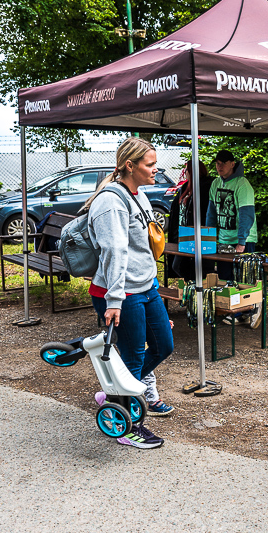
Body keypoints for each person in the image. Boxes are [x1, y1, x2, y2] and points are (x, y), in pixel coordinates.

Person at [86, 137, 175, 447]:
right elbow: (114, 252)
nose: (156, 169)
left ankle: (115, 394)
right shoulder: (110, 202)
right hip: (120, 293)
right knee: (134, 356)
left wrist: (155, 290)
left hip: (146, 288)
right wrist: (114, 300)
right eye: (150, 164)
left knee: (163, 346)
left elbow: (143, 250)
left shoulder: (139, 195)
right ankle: (128, 427)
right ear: (130, 165)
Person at [205, 149, 261, 328]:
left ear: (232, 164)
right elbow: (211, 213)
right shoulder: (215, 183)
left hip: (243, 240)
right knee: (225, 278)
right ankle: (233, 311)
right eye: (217, 163)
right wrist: (208, 237)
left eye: (223, 163)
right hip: (224, 240)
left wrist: (241, 242)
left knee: (243, 279)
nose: (219, 166)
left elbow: (246, 214)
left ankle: (249, 311)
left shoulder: (242, 184)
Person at [165, 160, 212, 283]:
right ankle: (190, 285)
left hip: (195, 235)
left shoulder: (205, 187)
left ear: (192, 171)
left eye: (187, 170)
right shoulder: (186, 187)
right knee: (178, 265)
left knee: (184, 266)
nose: (185, 173)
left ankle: (195, 286)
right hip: (182, 234)